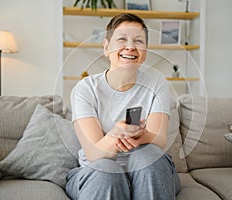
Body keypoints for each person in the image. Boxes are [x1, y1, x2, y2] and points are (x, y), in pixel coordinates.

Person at [66, 13, 181, 200]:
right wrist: (116, 134)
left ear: (145, 51)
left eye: (139, 41)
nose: (130, 46)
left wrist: (138, 135)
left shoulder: (157, 83)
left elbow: (159, 140)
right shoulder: (85, 89)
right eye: (121, 39)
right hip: (97, 171)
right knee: (106, 170)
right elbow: (95, 153)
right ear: (106, 47)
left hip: (149, 172)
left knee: (147, 157)